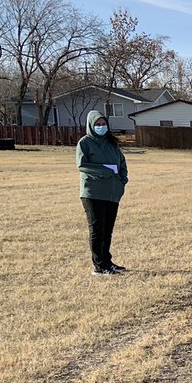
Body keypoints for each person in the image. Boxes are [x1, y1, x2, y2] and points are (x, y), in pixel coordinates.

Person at [76, 110, 129, 275]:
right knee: (97, 230)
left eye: (103, 124)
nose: (101, 127)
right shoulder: (85, 143)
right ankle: (99, 266)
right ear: (91, 125)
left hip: (112, 193)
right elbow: (82, 165)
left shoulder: (111, 143)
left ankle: (107, 262)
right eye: (97, 124)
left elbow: (122, 163)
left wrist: (122, 181)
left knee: (107, 230)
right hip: (93, 193)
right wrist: (105, 171)